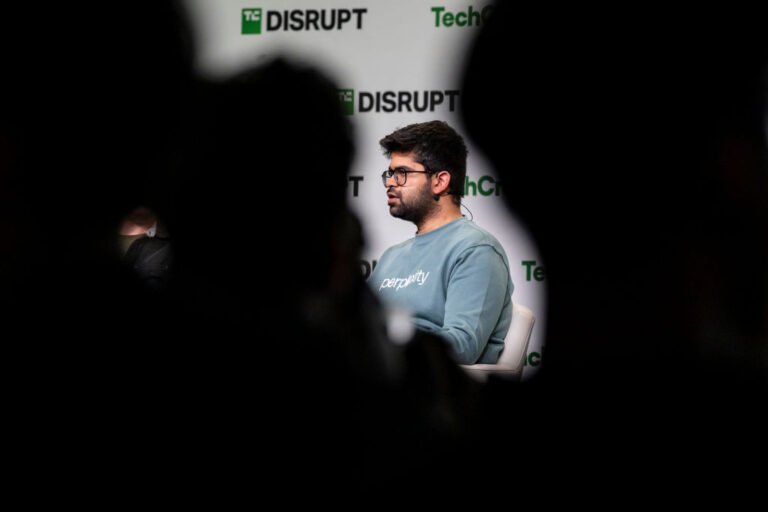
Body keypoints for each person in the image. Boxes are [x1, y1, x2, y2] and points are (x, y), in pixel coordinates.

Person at [369, 120, 513, 365]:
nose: (391, 182)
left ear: (440, 181)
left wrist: (389, 342)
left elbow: (462, 347)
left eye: (402, 173)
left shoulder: (476, 250)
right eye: (390, 174)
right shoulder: (390, 256)